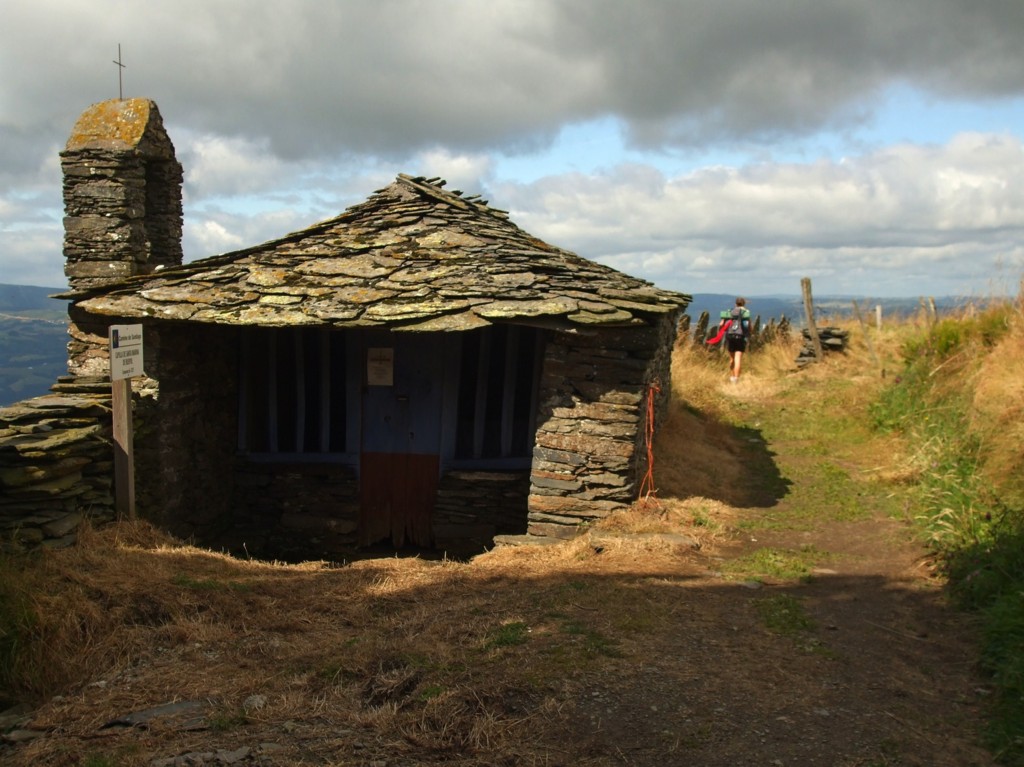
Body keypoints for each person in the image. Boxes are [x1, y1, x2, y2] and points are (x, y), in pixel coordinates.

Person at [723, 297, 751, 382]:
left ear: (735, 304)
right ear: (744, 304)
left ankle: (732, 376)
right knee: (738, 357)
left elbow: (721, 324)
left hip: (730, 335)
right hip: (740, 336)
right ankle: (736, 378)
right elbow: (749, 327)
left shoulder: (729, 311)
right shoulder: (745, 313)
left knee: (732, 358)